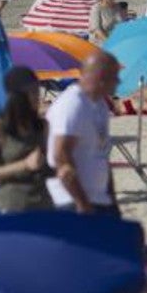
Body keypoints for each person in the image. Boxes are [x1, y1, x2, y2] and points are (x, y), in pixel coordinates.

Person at [46, 52, 118, 215]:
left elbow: (102, 155)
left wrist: (112, 201)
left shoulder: (100, 104)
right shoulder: (73, 104)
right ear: (100, 77)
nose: (118, 81)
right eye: (114, 76)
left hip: (99, 198)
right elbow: (61, 155)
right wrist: (82, 203)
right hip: (71, 201)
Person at [0, 66, 52, 212]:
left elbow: (44, 167)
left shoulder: (42, 125)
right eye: (34, 92)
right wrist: (24, 165)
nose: (38, 97)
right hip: (12, 205)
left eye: (38, 91)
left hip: (43, 203)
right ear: (18, 96)